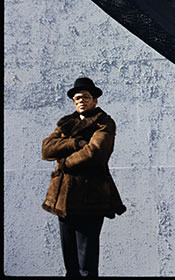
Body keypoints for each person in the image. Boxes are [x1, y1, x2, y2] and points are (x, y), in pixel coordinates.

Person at [42, 77, 126, 277]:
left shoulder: (103, 123)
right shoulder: (65, 123)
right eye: (77, 97)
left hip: (91, 199)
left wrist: (63, 162)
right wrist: (75, 143)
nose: (81, 100)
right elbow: (47, 149)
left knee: (86, 266)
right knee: (70, 266)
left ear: (95, 100)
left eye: (86, 97)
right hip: (63, 200)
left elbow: (95, 153)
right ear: (73, 102)